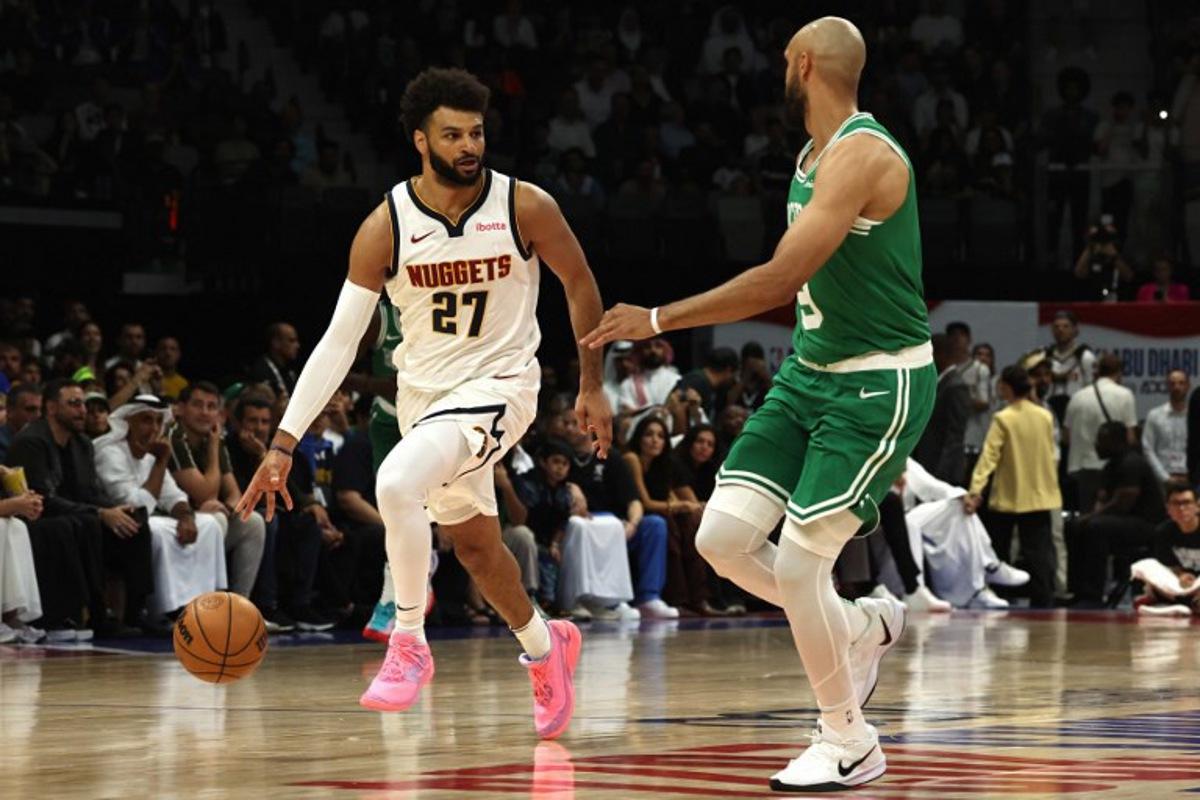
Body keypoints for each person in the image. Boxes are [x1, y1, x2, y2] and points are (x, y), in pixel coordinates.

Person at [583, 18, 934, 790]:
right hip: (811, 374)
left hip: (877, 382)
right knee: (722, 538)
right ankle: (863, 625)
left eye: (784, 60)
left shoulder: (863, 155)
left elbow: (778, 281)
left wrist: (659, 318)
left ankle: (848, 738)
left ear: (804, 65)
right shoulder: (810, 156)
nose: (780, 68)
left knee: (806, 560)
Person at [234, 67, 611, 740]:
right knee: (475, 548)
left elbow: (581, 285)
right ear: (419, 140)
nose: (469, 146)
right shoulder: (386, 226)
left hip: (500, 389)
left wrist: (590, 382)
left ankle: (408, 640)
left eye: (476, 132)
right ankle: (544, 646)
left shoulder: (525, 206)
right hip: (425, 402)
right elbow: (338, 342)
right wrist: (283, 442)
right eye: (453, 134)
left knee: (395, 480)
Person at [94, 396, 227, 627]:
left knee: (209, 524)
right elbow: (136, 505)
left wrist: (186, 517)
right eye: (146, 420)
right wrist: (160, 461)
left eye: (158, 421)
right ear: (127, 422)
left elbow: (173, 496)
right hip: (116, 524)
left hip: (148, 517)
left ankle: (202, 605)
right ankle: (164, 610)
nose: (154, 428)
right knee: (155, 529)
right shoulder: (109, 452)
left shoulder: (150, 452)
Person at [966, 366, 1062, 608]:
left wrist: (975, 489)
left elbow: (989, 456)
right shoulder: (1045, 416)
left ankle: (1001, 598)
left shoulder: (1003, 418)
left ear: (1007, 387)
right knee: (1040, 553)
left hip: (1010, 493)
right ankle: (1044, 601)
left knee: (1001, 550)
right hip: (1041, 493)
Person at [167, 382, 266, 602]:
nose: (205, 413)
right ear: (181, 408)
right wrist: (213, 449)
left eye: (211, 407)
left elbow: (235, 494)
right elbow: (204, 493)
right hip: (174, 523)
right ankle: (206, 605)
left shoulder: (213, 439)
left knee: (253, 522)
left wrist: (227, 506)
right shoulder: (174, 438)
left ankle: (241, 605)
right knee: (216, 521)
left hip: (202, 522)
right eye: (198, 405)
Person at [1069, 421, 1166, 605]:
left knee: (1095, 527)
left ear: (1116, 442)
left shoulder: (1131, 463)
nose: (1097, 445)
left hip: (1147, 525)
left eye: (1101, 440)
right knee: (1076, 526)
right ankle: (1079, 591)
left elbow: (1122, 504)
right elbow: (1103, 499)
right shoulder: (1110, 467)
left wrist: (1091, 518)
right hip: (1124, 521)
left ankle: (1093, 595)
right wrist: (1086, 518)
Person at [1064, 353, 1137, 514]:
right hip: (1113, 468)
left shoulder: (1077, 397)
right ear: (1119, 373)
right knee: (1113, 519)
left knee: (1087, 517)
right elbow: (1130, 438)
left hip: (1083, 468)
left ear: (1096, 372)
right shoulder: (1124, 394)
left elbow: (1066, 437)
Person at [912, 333, 969, 484]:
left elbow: (955, 435)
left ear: (941, 354)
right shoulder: (939, 382)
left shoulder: (956, 386)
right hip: (928, 465)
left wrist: (941, 474)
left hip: (941, 470)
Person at [1141, 481, 1200, 614]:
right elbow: (1169, 566)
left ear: (1197, 506)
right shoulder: (1164, 532)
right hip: (1184, 585)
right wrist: (1181, 575)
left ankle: (1173, 604)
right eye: (1176, 504)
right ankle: (1184, 603)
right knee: (1149, 574)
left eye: (1187, 502)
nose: (1181, 508)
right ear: (1168, 508)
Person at [1043, 310, 1095, 425]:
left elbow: (1092, 390)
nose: (1060, 330)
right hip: (1049, 414)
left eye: (1066, 326)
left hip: (1077, 414)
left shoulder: (1085, 357)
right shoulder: (1045, 357)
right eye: (1056, 327)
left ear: (1075, 330)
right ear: (1052, 330)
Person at [1142, 369, 1190, 485]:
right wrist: (1165, 478)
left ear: (1188, 386)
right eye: (1172, 384)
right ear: (1167, 387)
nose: (1177, 387)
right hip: (1162, 478)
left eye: (1181, 383)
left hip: (1190, 477)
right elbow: (1147, 449)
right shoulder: (1155, 415)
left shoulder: (1195, 417)